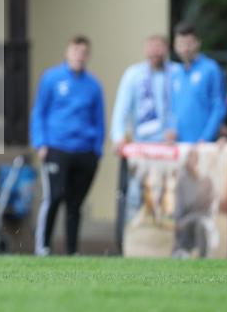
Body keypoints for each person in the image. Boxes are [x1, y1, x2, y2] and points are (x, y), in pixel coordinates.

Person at [31, 35, 105, 256]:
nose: (78, 56)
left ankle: (72, 251)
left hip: (85, 151)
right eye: (75, 51)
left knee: (75, 204)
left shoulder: (93, 85)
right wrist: (40, 143)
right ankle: (43, 246)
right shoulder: (52, 79)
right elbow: (39, 112)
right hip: (57, 147)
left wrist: (97, 149)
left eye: (83, 53)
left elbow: (99, 119)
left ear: (88, 56)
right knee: (53, 198)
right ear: (67, 52)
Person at [110, 35, 175, 149]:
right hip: (141, 143)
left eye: (158, 47)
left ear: (167, 49)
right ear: (145, 50)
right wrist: (118, 136)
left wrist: (175, 129)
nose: (154, 51)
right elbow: (121, 108)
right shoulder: (133, 74)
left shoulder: (176, 72)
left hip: (171, 143)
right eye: (151, 47)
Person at [171, 21, 227, 143]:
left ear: (198, 43)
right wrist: (170, 131)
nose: (185, 48)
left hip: (203, 145)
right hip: (179, 145)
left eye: (189, 43)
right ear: (175, 46)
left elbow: (219, 106)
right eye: (181, 43)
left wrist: (205, 138)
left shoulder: (211, 69)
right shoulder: (175, 73)